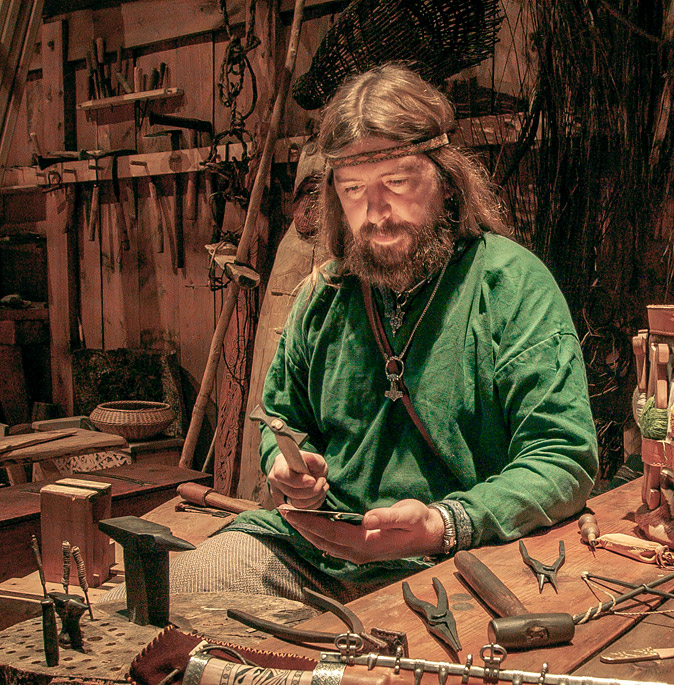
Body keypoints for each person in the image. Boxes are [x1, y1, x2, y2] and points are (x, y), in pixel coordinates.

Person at [138, 63, 598, 603]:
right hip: (311, 550)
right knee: (167, 599)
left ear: (447, 181)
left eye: (397, 183)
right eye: (353, 189)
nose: (375, 213)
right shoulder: (325, 294)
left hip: (457, 561)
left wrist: (445, 523)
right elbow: (282, 419)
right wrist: (286, 466)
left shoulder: (511, 286)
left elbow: (563, 456)